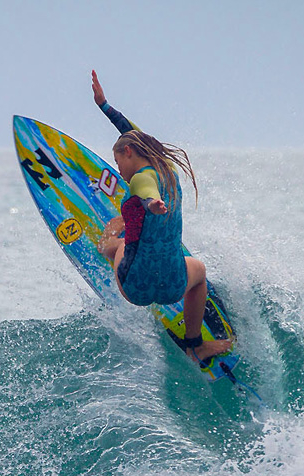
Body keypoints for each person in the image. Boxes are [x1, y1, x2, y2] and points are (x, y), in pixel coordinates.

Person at [91, 70, 232, 364]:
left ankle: (109, 241)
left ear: (128, 152)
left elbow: (145, 187)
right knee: (200, 272)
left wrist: (151, 201)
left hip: (135, 285)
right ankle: (195, 345)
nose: (119, 171)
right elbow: (131, 132)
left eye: (118, 163)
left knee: (114, 243)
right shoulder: (166, 165)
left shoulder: (141, 179)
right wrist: (105, 106)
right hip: (173, 285)